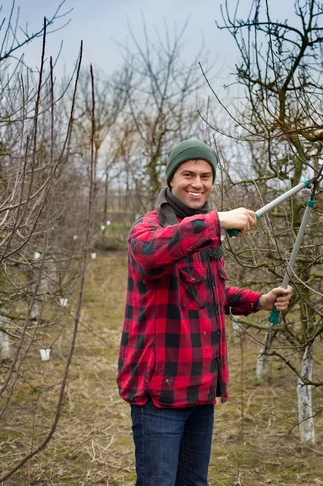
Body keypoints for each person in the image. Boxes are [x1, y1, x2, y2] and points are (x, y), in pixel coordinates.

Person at [117, 139, 293, 486]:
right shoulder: (148, 227)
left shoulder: (206, 234)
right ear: (171, 179)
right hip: (160, 393)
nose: (197, 183)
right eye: (188, 174)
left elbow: (209, 293)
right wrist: (214, 222)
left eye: (205, 176)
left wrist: (260, 300)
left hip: (200, 389)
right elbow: (152, 253)